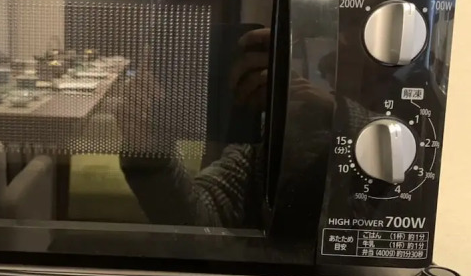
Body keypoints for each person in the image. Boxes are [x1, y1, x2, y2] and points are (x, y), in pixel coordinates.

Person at [118, 27, 373, 229]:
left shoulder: (367, 114)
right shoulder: (261, 148)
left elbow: (393, 167)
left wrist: (338, 113)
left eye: (351, 26)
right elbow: (197, 220)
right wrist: (151, 152)